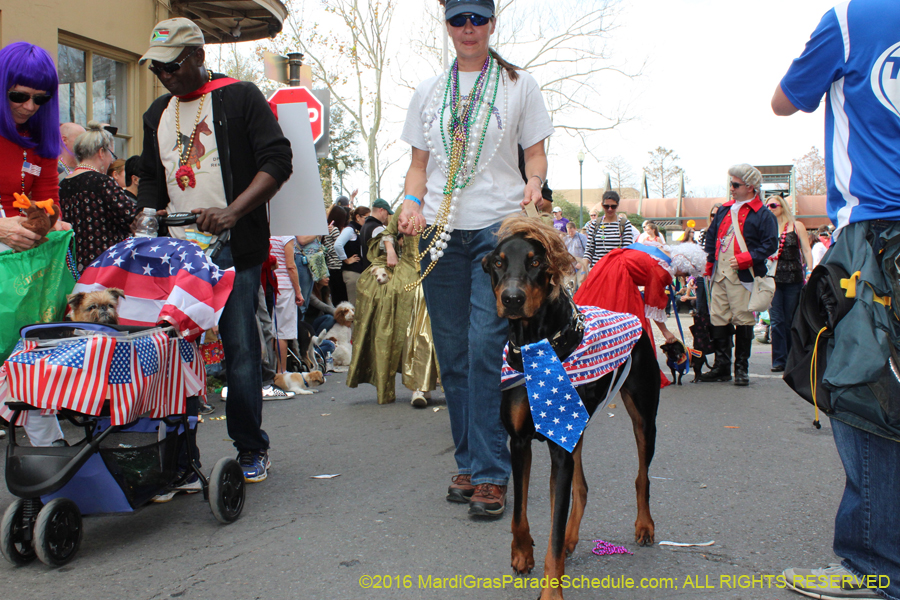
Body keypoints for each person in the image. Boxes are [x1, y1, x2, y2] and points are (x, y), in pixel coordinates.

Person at [398, 0, 554, 518]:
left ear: (491, 22)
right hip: (441, 234)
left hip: (497, 232)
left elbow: (535, 152)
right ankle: (468, 463)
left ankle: (492, 473)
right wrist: (410, 202)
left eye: (477, 19)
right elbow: (418, 168)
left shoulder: (518, 85)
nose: (468, 29)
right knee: (453, 353)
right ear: (446, 25)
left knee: (485, 345)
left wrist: (534, 183)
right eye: (457, 20)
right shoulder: (428, 91)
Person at [773, 2, 900, 599]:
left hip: (876, 235)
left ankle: (874, 565)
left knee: (861, 392)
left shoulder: (853, 17)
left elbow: (785, 98)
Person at [137, 17, 293, 483]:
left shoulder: (240, 97)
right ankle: (179, 460)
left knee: (240, 349)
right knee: (174, 356)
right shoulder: (157, 113)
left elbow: (277, 160)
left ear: (199, 58)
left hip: (232, 250)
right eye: (157, 68)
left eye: (172, 65)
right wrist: (146, 212)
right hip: (177, 256)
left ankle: (250, 447)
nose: (165, 75)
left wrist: (233, 211)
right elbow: (150, 175)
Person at [0, 41, 70, 446]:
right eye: (19, 95)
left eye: (40, 98)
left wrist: (45, 223)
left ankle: (52, 457)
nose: (29, 106)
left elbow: (50, 201)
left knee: (31, 357)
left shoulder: (39, 142)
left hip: (23, 271)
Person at [574, 241, 707, 387]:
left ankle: (600, 368)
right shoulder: (661, 269)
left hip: (609, 266)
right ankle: (626, 371)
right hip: (618, 277)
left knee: (601, 319)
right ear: (684, 263)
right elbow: (654, 305)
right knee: (628, 325)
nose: (683, 277)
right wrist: (666, 332)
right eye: (687, 273)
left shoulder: (661, 252)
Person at [698, 164, 778, 386]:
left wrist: (747, 258)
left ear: (750, 186)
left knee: (743, 319)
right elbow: (712, 237)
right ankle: (722, 366)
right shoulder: (724, 209)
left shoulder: (763, 214)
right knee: (719, 318)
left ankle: (741, 368)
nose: (731, 188)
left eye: (735, 184)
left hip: (744, 276)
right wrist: (707, 262)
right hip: (719, 274)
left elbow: (770, 245)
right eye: (730, 184)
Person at [60, 122, 136, 271]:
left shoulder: (63, 184)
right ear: (101, 153)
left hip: (73, 266)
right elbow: (131, 217)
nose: (111, 161)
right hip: (104, 265)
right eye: (111, 155)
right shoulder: (102, 181)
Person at [765, 195, 812, 373]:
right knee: (776, 320)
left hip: (793, 278)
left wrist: (810, 269)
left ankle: (793, 358)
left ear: (782, 206)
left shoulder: (796, 226)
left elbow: (806, 249)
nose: (770, 208)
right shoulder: (767, 228)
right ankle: (779, 360)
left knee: (791, 320)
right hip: (772, 279)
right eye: (767, 206)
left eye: (774, 205)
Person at [270, 235, 303, 374]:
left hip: (267, 283)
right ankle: (281, 371)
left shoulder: (266, 233)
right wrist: (298, 291)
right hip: (284, 286)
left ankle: (268, 371)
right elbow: (290, 266)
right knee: (282, 332)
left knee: (268, 329)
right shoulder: (286, 236)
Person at [583, 190, 635, 268]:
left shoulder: (624, 224)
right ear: (602, 205)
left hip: (617, 269)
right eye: (606, 206)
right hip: (597, 269)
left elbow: (627, 250)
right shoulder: (595, 224)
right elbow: (589, 250)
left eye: (613, 206)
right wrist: (584, 269)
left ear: (617, 205)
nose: (609, 209)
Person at [334, 205, 369, 305]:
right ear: (358, 217)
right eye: (366, 218)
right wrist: (346, 259)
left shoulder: (358, 230)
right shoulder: (350, 229)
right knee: (354, 304)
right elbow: (337, 244)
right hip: (352, 272)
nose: (367, 221)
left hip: (358, 271)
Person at [323, 204, 350, 305]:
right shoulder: (334, 230)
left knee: (334, 295)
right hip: (337, 266)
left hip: (330, 266)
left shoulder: (327, 229)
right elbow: (338, 246)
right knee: (340, 296)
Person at [359, 198, 392, 270]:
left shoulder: (363, 227)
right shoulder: (378, 229)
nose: (387, 217)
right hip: (377, 270)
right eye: (387, 213)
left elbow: (362, 253)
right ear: (381, 210)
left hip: (366, 269)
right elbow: (383, 252)